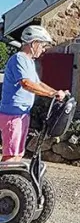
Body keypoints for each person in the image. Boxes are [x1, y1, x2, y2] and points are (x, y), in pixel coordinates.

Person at [0, 25, 68, 161]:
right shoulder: (19, 59)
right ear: (34, 43)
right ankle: (6, 182)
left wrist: (55, 92)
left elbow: (37, 83)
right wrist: (51, 95)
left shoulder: (29, 62)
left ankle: (12, 181)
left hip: (22, 113)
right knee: (10, 155)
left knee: (18, 153)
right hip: (12, 115)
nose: (43, 50)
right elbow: (26, 84)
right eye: (42, 46)